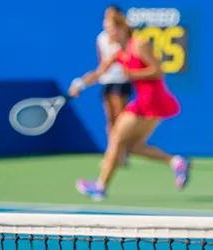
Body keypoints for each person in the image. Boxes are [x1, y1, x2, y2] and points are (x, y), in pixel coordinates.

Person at [68, 13, 191, 201]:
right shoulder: (117, 53)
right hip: (148, 101)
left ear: (122, 28)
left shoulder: (139, 44)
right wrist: (79, 84)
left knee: (116, 136)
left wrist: (132, 74)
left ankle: (100, 187)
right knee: (132, 147)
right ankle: (176, 162)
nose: (108, 34)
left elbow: (158, 70)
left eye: (111, 29)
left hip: (152, 99)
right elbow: (100, 73)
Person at [95, 6, 133, 168]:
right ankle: (113, 153)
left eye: (111, 16)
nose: (107, 19)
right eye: (106, 17)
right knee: (110, 119)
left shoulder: (125, 38)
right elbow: (102, 63)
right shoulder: (100, 38)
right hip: (106, 81)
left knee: (120, 120)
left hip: (121, 80)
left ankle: (121, 153)